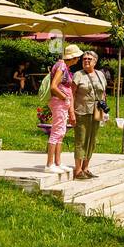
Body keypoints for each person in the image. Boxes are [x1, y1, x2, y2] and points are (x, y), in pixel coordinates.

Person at [45, 44, 81, 173]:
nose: (78, 60)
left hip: (62, 103)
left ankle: (57, 162)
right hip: (59, 102)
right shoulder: (61, 66)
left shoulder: (65, 66)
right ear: (73, 57)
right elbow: (54, 86)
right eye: (77, 57)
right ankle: (49, 165)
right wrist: (65, 97)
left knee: (61, 133)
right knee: (56, 133)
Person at [71, 50, 107, 180]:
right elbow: (72, 94)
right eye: (84, 59)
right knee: (81, 140)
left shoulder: (100, 75)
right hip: (81, 111)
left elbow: (103, 93)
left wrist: (105, 110)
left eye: (89, 59)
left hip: (96, 111)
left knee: (92, 140)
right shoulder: (78, 75)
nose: (86, 61)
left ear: (95, 61)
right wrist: (71, 112)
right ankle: (78, 169)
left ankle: (86, 167)